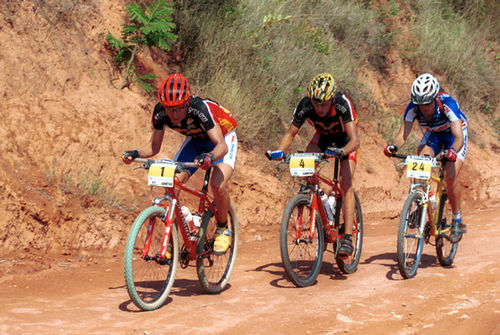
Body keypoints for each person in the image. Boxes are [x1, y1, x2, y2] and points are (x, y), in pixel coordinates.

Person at [122, 73, 238, 254]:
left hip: (222, 139)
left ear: (186, 103)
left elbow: (221, 147)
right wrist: (135, 153)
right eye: (169, 109)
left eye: (178, 109)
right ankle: (172, 238)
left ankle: (223, 227)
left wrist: (209, 157)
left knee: (217, 184)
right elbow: (154, 147)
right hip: (196, 141)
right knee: (171, 183)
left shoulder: (199, 108)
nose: (173, 114)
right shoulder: (160, 112)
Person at [268, 73, 360, 256]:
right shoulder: (305, 105)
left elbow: (355, 141)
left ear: (332, 100)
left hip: (345, 141)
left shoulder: (343, 104)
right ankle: (320, 201)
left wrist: (342, 151)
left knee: (346, 182)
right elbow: (291, 133)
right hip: (323, 138)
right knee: (305, 169)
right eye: (316, 103)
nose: (319, 108)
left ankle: (348, 237)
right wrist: (280, 151)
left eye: (324, 104)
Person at [383, 73, 468, 243]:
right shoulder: (413, 107)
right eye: (420, 104)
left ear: (435, 98)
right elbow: (403, 134)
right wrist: (393, 147)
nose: (423, 108)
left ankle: (457, 219)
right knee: (419, 160)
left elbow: (458, 137)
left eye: (427, 103)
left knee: (450, 176)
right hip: (434, 136)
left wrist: (452, 151)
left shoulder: (447, 103)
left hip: (454, 136)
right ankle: (419, 204)